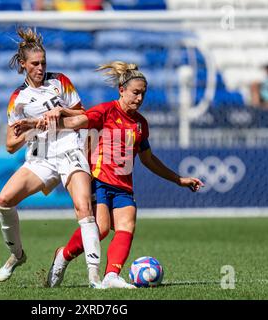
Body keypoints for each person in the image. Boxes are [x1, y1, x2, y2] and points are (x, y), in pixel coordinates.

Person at [27, 61, 204, 289]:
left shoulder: (140, 125)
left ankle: (112, 275)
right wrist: (42, 123)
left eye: (143, 94)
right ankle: (63, 255)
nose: (139, 98)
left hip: (124, 185)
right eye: (135, 93)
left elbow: (148, 159)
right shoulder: (106, 111)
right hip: (99, 181)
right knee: (100, 230)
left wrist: (179, 179)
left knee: (126, 225)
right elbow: (75, 121)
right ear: (122, 90)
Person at [0, 27, 102, 288]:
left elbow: (84, 119)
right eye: (35, 64)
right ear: (23, 65)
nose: (41, 68)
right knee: (4, 200)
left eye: (43, 62)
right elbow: (10, 145)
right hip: (40, 158)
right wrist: (33, 128)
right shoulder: (18, 99)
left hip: (69, 150)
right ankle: (17, 255)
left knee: (83, 207)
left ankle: (94, 276)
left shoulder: (60, 82)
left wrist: (59, 115)